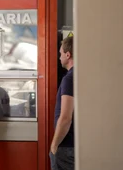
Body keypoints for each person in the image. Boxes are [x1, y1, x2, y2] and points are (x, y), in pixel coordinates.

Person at [50, 36, 75, 170]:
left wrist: (54, 145)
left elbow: (65, 117)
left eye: (60, 54)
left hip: (66, 146)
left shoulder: (69, 79)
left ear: (68, 54)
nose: (59, 58)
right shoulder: (84, 75)